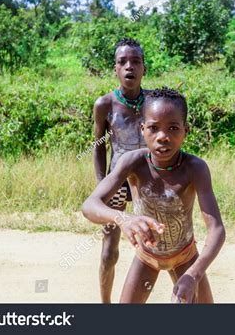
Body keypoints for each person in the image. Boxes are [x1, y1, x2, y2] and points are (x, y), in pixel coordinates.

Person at [82, 88, 226, 303]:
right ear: (142, 129)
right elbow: (90, 205)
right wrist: (123, 218)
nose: (163, 137)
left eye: (173, 128)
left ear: (185, 130)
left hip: (186, 258)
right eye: (153, 128)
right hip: (147, 257)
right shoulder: (133, 163)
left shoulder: (195, 168)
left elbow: (217, 229)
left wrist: (193, 275)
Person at [92, 37, 148, 303]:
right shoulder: (105, 104)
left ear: (144, 69)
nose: (129, 67)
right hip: (117, 180)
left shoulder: (153, 103)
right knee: (109, 251)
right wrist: (101, 185)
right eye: (122, 62)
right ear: (115, 69)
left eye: (135, 61)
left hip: (148, 180)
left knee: (154, 243)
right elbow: (98, 146)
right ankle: (105, 306)